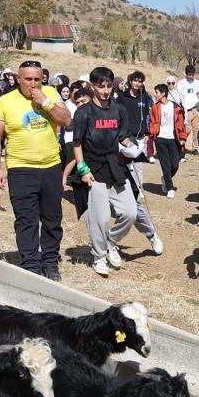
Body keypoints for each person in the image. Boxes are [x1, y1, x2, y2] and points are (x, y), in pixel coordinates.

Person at [0, 60, 71, 278]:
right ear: (18, 79)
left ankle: (50, 262)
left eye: (37, 79)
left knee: (52, 218)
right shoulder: (5, 102)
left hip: (51, 166)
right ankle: (31, 265)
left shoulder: (51, 94)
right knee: (26, 220)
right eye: (28, 79)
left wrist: (45, 102)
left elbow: (66, 120)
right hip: (20, 169)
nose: (33, 84)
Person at [71, 67, 140, 277]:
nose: (106, 90)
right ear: (92, 86)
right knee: (100, 218)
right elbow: (77, 142)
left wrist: (133, 146)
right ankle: (99, 255)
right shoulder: (84, 112)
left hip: (115, 166)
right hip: (93, 167)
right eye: (101, 86)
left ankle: (111, 242)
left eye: (109, 86)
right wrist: (82, 169)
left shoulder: (119, 110)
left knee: (130, 212)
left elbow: (123, 137)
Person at [117, 71, 164, 255]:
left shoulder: (146, 97)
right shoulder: (121, 98)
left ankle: (137, 191)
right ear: (130, 82)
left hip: (139, 138)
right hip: (124, 138)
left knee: (137, 168)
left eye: (140, 80)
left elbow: (151, 114)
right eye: (135, 80)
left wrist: (147, 133)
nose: (137, 83)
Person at [149, 78, 186, 196]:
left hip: (173, 139)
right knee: (165, 164)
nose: (155, 95)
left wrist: (182, 137)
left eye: (157, 92)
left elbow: (180, 124)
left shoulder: (175, 107)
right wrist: (152, 133)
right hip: (160, 138)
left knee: (175, 164)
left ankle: (165, 178)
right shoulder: (155, 107)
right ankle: (170, 188)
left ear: (163, 93)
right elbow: (153, 121)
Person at [178, 64, 199, 150]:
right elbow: (180, 96)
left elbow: (197, 92)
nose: (191, 76)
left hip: (195, 108)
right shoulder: (181, 83)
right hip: (186, 110)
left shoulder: (197, 82)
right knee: (186, 130)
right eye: (189, 75)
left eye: (192, 75)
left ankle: (195, 148)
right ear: (186, 74)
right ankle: (181, 146)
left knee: (197, 130)